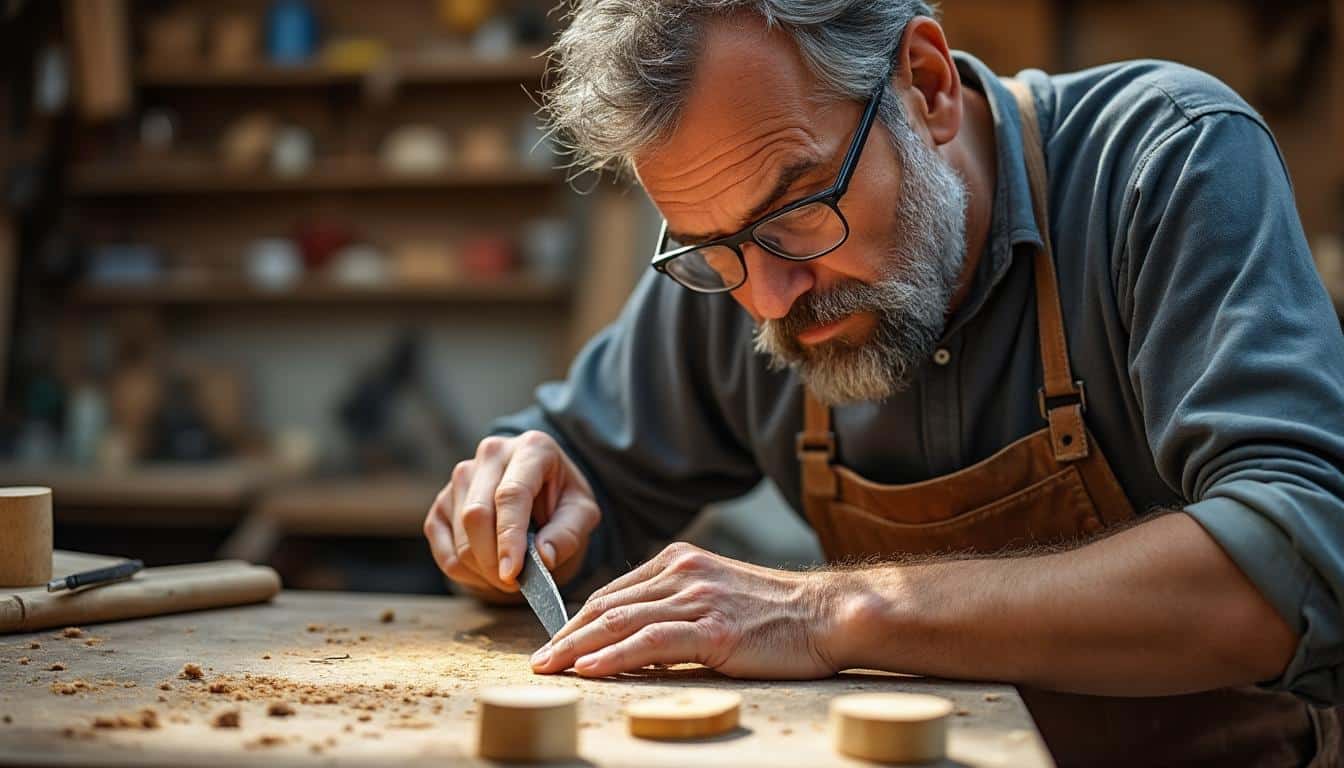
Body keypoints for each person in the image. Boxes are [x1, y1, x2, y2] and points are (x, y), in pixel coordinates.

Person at [422, 2, 1344, 764]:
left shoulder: (1165, 161)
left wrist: (835, 610)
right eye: (714, 248)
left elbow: (1297, 557)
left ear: (928, 87)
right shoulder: (742, 264)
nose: (768, 296)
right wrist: (517, 511)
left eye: (799, 208)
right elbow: (574, 478)